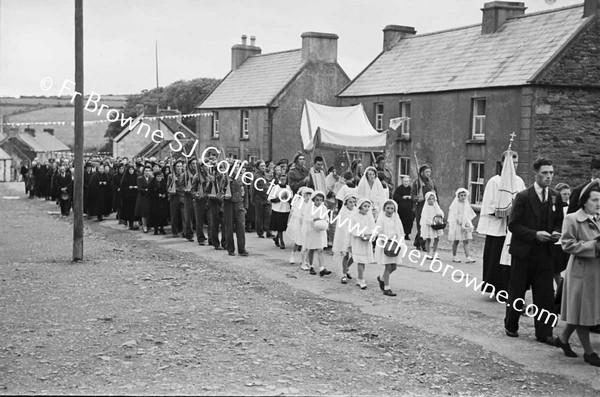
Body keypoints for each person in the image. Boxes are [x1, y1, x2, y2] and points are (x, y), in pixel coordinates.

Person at [504, 158, 563, 346]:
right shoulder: (523, 197)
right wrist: (534, 234)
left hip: (545, 254)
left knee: (545, 294)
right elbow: (513, 225)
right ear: (535, 174)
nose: (548, 177)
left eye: (551, 173)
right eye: (545, 173)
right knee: (517, 291)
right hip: (523, 253)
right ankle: (511, 325)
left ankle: (544, 332)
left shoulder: (555, 196)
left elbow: (559, 221)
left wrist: (555, 232)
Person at [556, 180, 600, 366]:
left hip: (596, 272)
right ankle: (589, 352)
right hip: (581, 272)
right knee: (583, 312)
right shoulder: (572, 218)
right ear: (584, 201)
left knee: (583, 310)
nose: (598, 204)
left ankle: (563, 338)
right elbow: (567, 245)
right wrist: (594, 246)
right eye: (595, 200)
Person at [478, 149, 526, 294]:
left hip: (513, 228)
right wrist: (505, 210)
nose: (514, 166)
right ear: (503, 163)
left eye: (516, 163)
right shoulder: (495, 181)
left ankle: (510, 287)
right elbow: (489, 204)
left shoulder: (519, 181)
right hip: (498, 227)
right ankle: (496, 288)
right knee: (496, 257)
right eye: (511, 162)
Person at [374, 199, 404, 297]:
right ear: (384, 208)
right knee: (388, 266)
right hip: (386, 244)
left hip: (395, 244)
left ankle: (382, 278)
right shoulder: (382, 218)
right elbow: (379, 230)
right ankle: (387, 288)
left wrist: (399, 240)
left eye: (392, 208)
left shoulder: (396, 218)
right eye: (388, 208)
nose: (390, 210)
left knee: (394, 267)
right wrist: (383, 239)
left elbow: (399, 230)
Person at [222, 162, 250, 257]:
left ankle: (242, 249)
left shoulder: (242, 178)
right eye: (235, 168)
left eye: (238, 168)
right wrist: (224, 196)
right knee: (229, 228)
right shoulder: (226, 179)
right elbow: (220, 192)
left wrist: (245, 206)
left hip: (240, 205)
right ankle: (230, 249)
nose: (237, 169)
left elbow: (246, 193)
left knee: (241, 228)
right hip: (229, 205)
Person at [302, 191, 332, 276]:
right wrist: (314, 219)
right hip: (312, 230)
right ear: (313, 200)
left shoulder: (324, 208)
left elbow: (327, 217)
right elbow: (306, 219)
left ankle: (322, 268)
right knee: (311, 249)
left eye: (321, 200)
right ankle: (311, 266)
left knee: (320, 249)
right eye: (317, 200)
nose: (319, 202)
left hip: (320, 231)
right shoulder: (310, 208)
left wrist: (325, 223)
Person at [351, 198, 377, 290]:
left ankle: (360, 277)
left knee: (364, 261)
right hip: (358, 241)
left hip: (367, 241)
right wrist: (361, 235)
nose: (366, 208)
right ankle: (361, 279)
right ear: (360, 206)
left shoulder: (370, 217)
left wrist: (372, 236)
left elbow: (374, 228)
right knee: (360, 261)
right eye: (365, 206)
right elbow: (353, 230)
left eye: (368, 207)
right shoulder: (355, 217)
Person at [411, 164, 438, 251]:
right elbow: (412, 195)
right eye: (426, 172)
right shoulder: (417, 182)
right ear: (422, 172)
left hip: (430, 206)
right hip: (420, 206)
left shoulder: (432, 182)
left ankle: (417, 242)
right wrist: (417, 199)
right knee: (421, 224)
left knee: (427, 224)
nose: (428, 174)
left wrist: (437, 205)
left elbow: (436, 194)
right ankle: (423, 244)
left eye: (429, 172)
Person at [333, 192, 357, 284]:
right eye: (350, 202)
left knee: (355, 255)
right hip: (345, 235)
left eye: (354, 202)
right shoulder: (343, 212)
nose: (352, 204)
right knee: (346, 255)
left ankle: (346, 268)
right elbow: (341, 226)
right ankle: (343, 274)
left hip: (353, 235)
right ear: (346, 203)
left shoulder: (356, 211)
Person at [447, 188, 476, 263]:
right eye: (461, 195)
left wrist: (467, 222)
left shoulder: (466, 204)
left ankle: (468, 257)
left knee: (466, 241)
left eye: (464, 195)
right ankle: (454, 256)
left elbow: (468, 213)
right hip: (458, 224)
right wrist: (458, 220)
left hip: (464, 224)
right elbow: (453, 214)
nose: (463, 197)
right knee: (456, 241)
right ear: (458, 196)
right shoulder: (456, 204)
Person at [287, 187, 313, 265]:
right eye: (306, 195)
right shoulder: (301, 203)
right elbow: (297, 213)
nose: (308, 197)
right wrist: (302, 218)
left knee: (308, 243)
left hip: (308, 224)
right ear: (304, 196)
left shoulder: (312, 205)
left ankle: (305, 259)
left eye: (310, 195)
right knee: (298, 241)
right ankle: (293, 255)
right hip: (300, 224)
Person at [268, 174, 292, 249]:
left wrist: (287, 197)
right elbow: (271, 199)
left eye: (285, 179)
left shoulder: (288, 187)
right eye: (282, 179)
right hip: (278, 208)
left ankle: (276, 237)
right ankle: (282, 241)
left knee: (283, 225)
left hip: (286, 208)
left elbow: (290, 197)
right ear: (279, 179)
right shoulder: (276, 187)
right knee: (279, 226)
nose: (283, 181)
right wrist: (280, 198)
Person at [253, 159, 274, 239]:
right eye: (261, 166)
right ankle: (260, 232)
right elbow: (254, 187)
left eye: (264, 165)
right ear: (258, 167)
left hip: (267, 197)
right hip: (259, 197)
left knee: (268, 215)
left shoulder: (266, 174)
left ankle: (268, 231)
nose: (263, 167)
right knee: (259, 216)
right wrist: (253, 198)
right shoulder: (256, 175)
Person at [420, 191, 444, 259]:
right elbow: (425, 217)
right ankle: (428, 253)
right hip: (429, 225)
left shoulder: (436, 206)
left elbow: (440, 212)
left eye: (433, 199)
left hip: (436, 224)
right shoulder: (426, 208)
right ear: (427, 200)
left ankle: (434, 252)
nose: (431, 201)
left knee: (436, 239)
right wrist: (430, 222)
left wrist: (440, 216)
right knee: (428, 239)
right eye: (429, 199)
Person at [167, 160, 186, 238]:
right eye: (177, 166)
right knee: (174, 215)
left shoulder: (185, 175)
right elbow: (168, 187)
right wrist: (172, 189)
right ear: (175, 167)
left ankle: (185, 231)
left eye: (180, 166)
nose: (179, 168)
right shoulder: (171, 176)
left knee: (184, 215)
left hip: (183, 196)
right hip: (174, 197)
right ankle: (174, 231)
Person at [192, 162, 209, 245]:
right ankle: (200, 238)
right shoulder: (196, 177)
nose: (208, 168)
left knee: (210, 220)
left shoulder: (210, 176)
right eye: (206, 166)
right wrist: (196, 195)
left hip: (208, 200)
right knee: (199, 221)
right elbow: (193, 190)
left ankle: (211, 238)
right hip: (199, 201)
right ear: (201, 167)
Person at [393, 176, 414, 240]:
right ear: (402, 182)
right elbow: (395, 196)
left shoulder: (411, 189)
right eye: (405, 181)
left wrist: (410, 197)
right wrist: (402, 197)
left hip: (409, 209)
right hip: (401, 209)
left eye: (407, 181)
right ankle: (401, 234)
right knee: (401, 221)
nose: (406, 183)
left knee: (409, 222)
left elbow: (414, 196)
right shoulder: (399, 189)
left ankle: (407, 234)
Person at [148, 171, 169, 235]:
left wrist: (164, 195)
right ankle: (156, 229)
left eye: (160, 176)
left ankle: (162, 228)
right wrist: (157, 195)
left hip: (162, 202)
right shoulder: (152, 183)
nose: (159, 178)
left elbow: (166, 190)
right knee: (155, 215)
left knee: (162, 215)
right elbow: (150, 193)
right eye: (158, 176)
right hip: (155, 202)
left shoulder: (163, 182)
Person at [182, 158, 197, 242]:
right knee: (188, 217)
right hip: (188, 198)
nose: (194, 165)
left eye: (195, 163)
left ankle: (199, 235)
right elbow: (181, 187)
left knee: (198, 217)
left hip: (197, 197)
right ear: (189, 165)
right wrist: (185, 190)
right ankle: (189, 234)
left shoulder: (198, 174)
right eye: (193, 164)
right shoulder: (185, 175)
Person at [120, 165, 139, 230]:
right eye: (130, 170)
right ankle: (130, 224)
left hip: (135, 196)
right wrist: (128, 187)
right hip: (128, 197)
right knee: (129, 211)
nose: (131, 171)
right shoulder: (125, 177)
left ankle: (135, 224)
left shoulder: (136, 176)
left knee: (134, 210)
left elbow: (139, 185)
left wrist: (136, 187)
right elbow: (122, 187)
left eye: (132, 170)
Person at [135, 165, 153, 233]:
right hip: (142, 197)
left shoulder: (151, 178)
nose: (147, 172)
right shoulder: (140, 178)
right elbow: (139, 188)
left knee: (149, 212)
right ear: (144, 171)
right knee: (143, 213)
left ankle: (148, 225)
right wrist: (146, 190)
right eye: (146, 171)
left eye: (148, 171)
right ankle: (144, 225)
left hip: (149, 197)